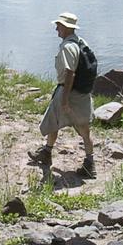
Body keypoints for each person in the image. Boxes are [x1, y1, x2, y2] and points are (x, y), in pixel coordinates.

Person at [34, 11, 96, 177]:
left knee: (52, 121)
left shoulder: (68, 47)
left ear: (67, 28)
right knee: (84, 129)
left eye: (59, 26)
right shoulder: (82, 42)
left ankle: (46, 154)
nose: (56, 29)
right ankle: (90, 164)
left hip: (68, 91)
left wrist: (64, 100)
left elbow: (70, 73)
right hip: (83, 93)